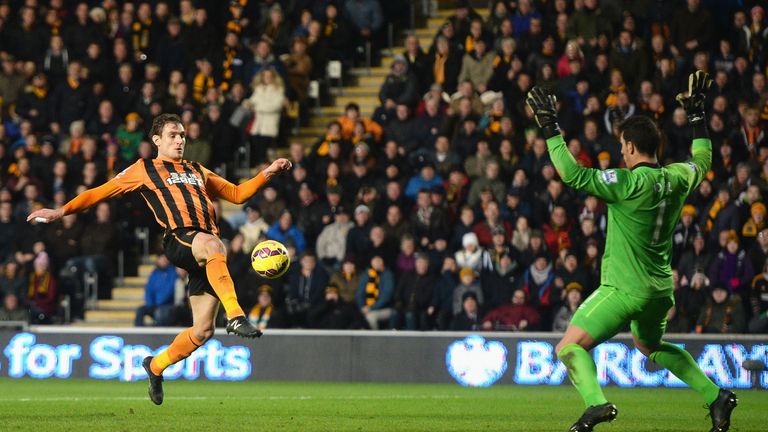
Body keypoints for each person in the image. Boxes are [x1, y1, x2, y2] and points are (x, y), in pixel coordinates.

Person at [27, 113, 292, 405]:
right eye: (173, 136)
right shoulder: (144, 169)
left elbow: (237, 194)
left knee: (203, 331)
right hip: (179, 238)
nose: (180, 140)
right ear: (157, 140)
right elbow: (100, 192)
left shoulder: (196, 169)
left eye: (182, 135)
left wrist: (268, 172)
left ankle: (154, 367)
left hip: (205, 251)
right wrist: (60, 211)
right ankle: (237, 316)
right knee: (214, 245)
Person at [526, 71, 737, 432]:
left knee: (568, 347)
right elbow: (702, 159)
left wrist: (549, 126)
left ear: (630, 148)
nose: (621, 151)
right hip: (659, 290)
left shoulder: (625, 183)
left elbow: (571, 174)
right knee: (648, 343)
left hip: (625, 290)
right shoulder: (678, 177)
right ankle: (716, 395)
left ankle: (596, 404)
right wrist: (698, 118)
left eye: (623, 145)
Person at [134, 255, 178, 327]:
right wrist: (150, 304)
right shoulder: (154, 273)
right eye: (161, 259)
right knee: (140, 310)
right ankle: (139, 332)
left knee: (160, 313)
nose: (162, 261)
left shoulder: (173, 273)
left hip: (167, 305)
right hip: (154, 305)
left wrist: (159, 302)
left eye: (165, 259)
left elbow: (170, 290)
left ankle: (157, 336)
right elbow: (149, 289)